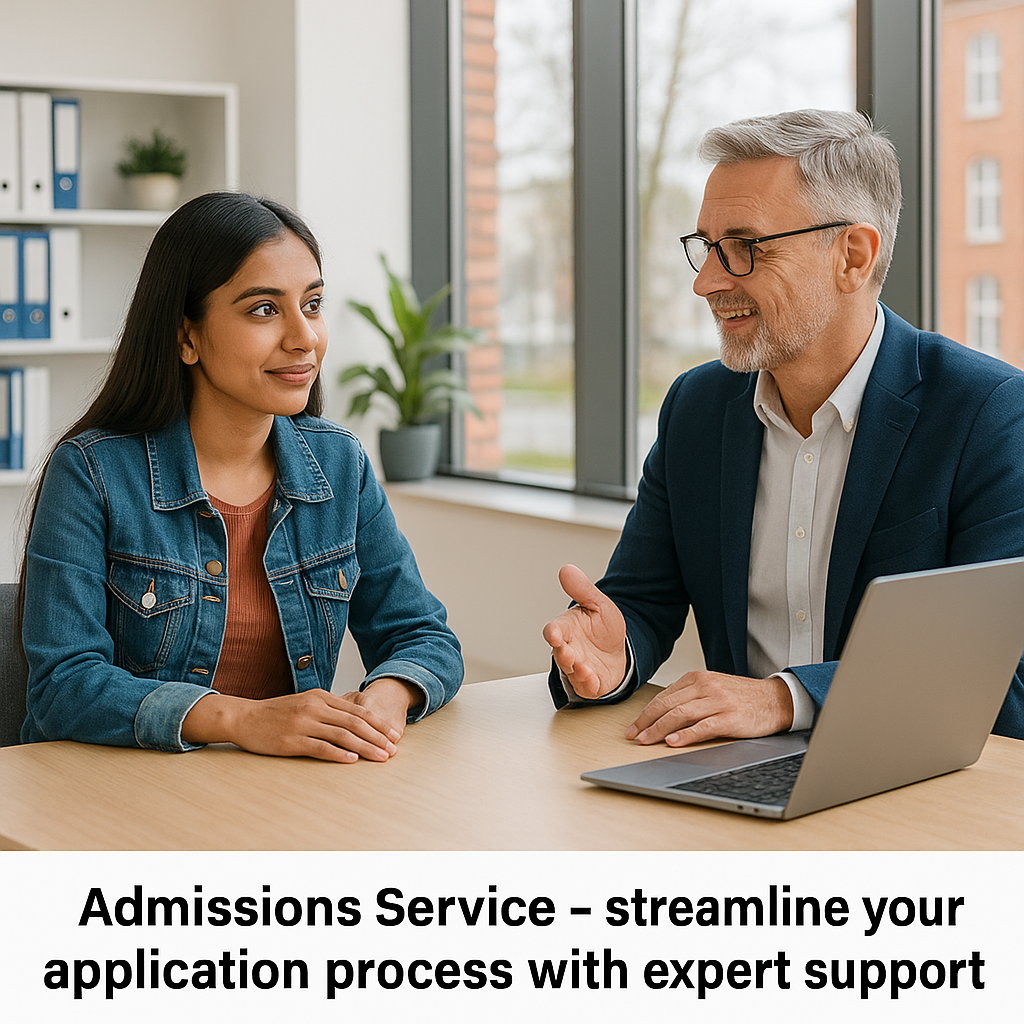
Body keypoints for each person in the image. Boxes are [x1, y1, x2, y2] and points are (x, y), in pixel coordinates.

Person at [543, 108, 1024, 745]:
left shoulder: (988, 413)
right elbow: (642, 599)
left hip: (907, 789)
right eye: (707, 248)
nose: (708, 282)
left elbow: (1001, 676)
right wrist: (613, 656)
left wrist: (786, 699)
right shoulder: (697, 407)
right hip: (736, 781)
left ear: (853, 256)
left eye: (745, 248)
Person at [20, 191, 463, 761]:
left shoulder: (339, 464)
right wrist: (237, 718)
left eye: (313, 304)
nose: (304, 337)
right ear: (186, 335)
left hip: (277, 796)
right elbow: (63, 686)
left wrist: (386, 696)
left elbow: (423, 636)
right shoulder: (92, 473)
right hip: (121, 797)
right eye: (263, 309)